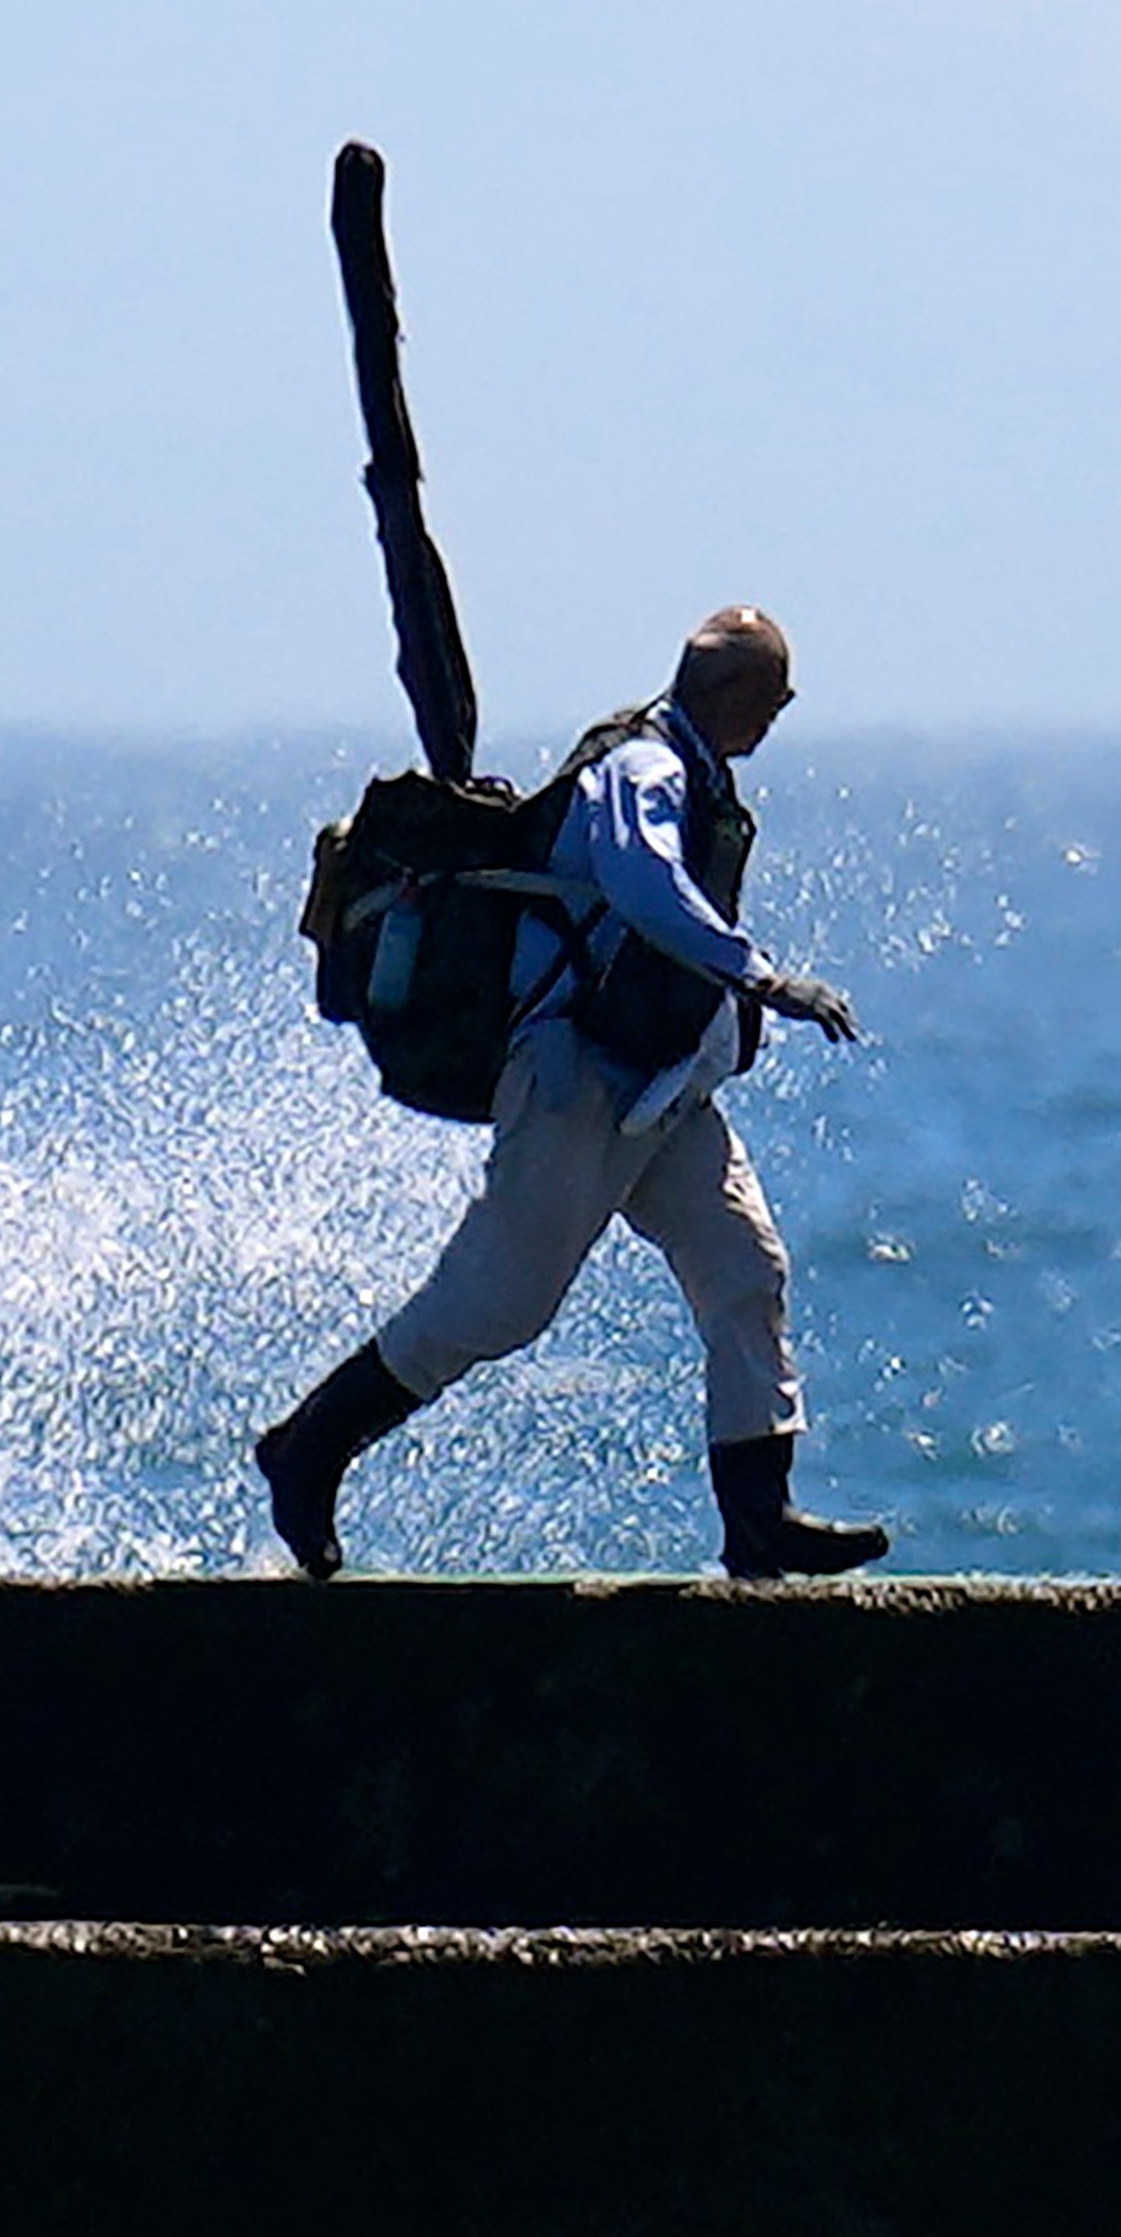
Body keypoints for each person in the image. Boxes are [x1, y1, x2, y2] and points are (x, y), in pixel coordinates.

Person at [255, 605, 890, 1579]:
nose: (780, 712)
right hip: (576, 1076)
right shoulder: (642, 768)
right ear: (729, 691)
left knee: (743, 1269)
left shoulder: (700, 776)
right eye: (776, 694)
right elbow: (642, 883)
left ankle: (759, 1521)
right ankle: (310, 1447)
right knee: (499, 1303)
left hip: (664, 1086)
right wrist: (764, 979)